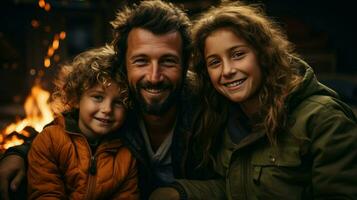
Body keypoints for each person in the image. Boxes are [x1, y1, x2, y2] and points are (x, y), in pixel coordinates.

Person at [0, 1, 217, 200]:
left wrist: (179, 192)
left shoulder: (209, 106)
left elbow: (238, 181)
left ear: (186, 63)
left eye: (168, 61)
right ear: (123, 65)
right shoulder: (121, 101)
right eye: (141, 61)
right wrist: (18, 153)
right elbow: (69, 130)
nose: (154, 77)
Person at [151, 1, 357, 199]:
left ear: (263, 55)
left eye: (238, 55)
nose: (228, 71)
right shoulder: (227, 119)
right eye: (215, 62)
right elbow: (238, 188)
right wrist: (180, 192)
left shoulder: (324, 119)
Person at [27, 45, 139, 199]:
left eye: (119, 102)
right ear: (77, 98)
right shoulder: (50, 141)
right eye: (98, 97)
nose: (107, 109)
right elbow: (45, 193)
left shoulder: (127, 155)